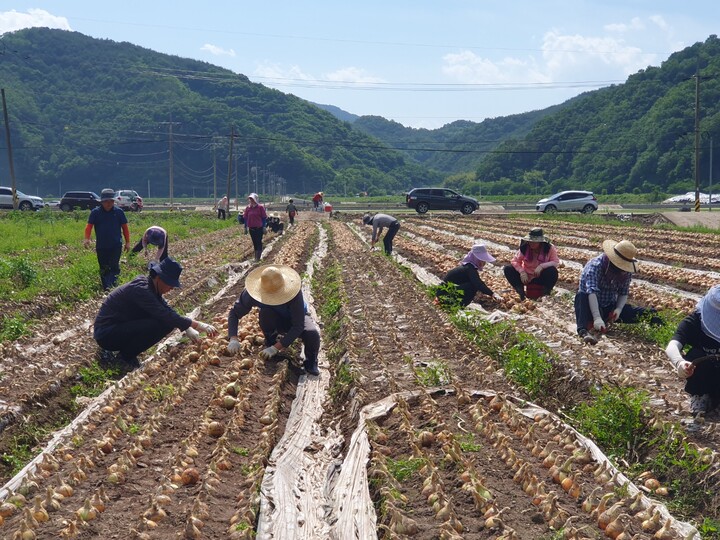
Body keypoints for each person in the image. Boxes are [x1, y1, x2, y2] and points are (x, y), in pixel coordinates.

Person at [93, 257, 217, 369]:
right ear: (158, 277)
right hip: (107, 334)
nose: (171, 288)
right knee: (164, 323)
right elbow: (163, 314)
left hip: (119, 327)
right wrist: (193, 325)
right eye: (170, 283)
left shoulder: (151, 288)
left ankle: (128, 353)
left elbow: (167, 309)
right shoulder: (142, 290)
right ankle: (124, 357)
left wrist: (191, 326)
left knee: (166, 321)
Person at [227, 264, 320, 376]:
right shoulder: (251, 294)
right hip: (273, 317)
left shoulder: (294, 293)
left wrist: (276, 348)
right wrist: (233, 338)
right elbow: (234, 313)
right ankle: (270, 340)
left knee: (312, 333)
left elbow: (298, 326)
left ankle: (311, 362)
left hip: (294, 317)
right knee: (266, 313)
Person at [574, 239, 660, 345]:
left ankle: (661, 334)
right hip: (589, 306)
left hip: (609, 307)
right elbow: (591, 292)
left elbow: (623, 292)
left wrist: (618, 309)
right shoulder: (595, 266)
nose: (622, 270)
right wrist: (597, 317)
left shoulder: (626, 271)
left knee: (649, 313)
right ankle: (583, 331)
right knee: (581, 296)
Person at [666, 286, 720, 417]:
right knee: (696, 356)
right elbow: (672, 346)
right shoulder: (694, 322)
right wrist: (679, 363)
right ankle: (700, 395)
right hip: (705, 373)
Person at [84, 188, 130, 290]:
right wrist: (87, 239)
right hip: (102, 246)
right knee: (104, 267)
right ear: (102, 202)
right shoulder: (95, 213)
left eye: (111, 201)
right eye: (106, 201)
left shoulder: (119, 212)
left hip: (116, 245)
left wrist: (127, 242)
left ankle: (113, 287)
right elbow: (89, 226)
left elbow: (125, 228)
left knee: (114, 266)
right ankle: (106, 287)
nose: (109, 204)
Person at [437, 243, 503, 307]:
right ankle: (455, 305)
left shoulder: (469, 267)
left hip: (444, 292)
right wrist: (492, 294)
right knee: (472, 286)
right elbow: (478, 283)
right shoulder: (470, 268)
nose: (484, 263)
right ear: (476, 258)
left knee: (472, 285)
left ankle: (453, 304)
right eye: (482, 260)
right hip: (445, 294)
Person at [503, 228, 559, 301]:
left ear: (540, 242)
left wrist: (541, 266)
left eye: (534, 242)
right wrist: (522, 272)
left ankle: (545, 294)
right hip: (525, 276)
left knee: (552, 271)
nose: (531, 243)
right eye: (530, 241)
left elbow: (555, 262)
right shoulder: (525, 247)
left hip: (539, 276)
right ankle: (521, 293)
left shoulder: (549, 248)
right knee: (508, 268)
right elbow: (515, 261)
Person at [243, 192, 267, 261]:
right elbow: (245, 218)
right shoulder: (248, 208)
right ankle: (256, 256)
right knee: (254, 242)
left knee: (258, 241)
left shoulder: (260, 207)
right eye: (250, 199)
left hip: (259, 228)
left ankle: (258, 258)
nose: (251, 200)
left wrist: (264, 227)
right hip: (251, 228)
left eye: (252, 199)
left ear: (255, 199)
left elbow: (263, 217)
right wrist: (245, 227)